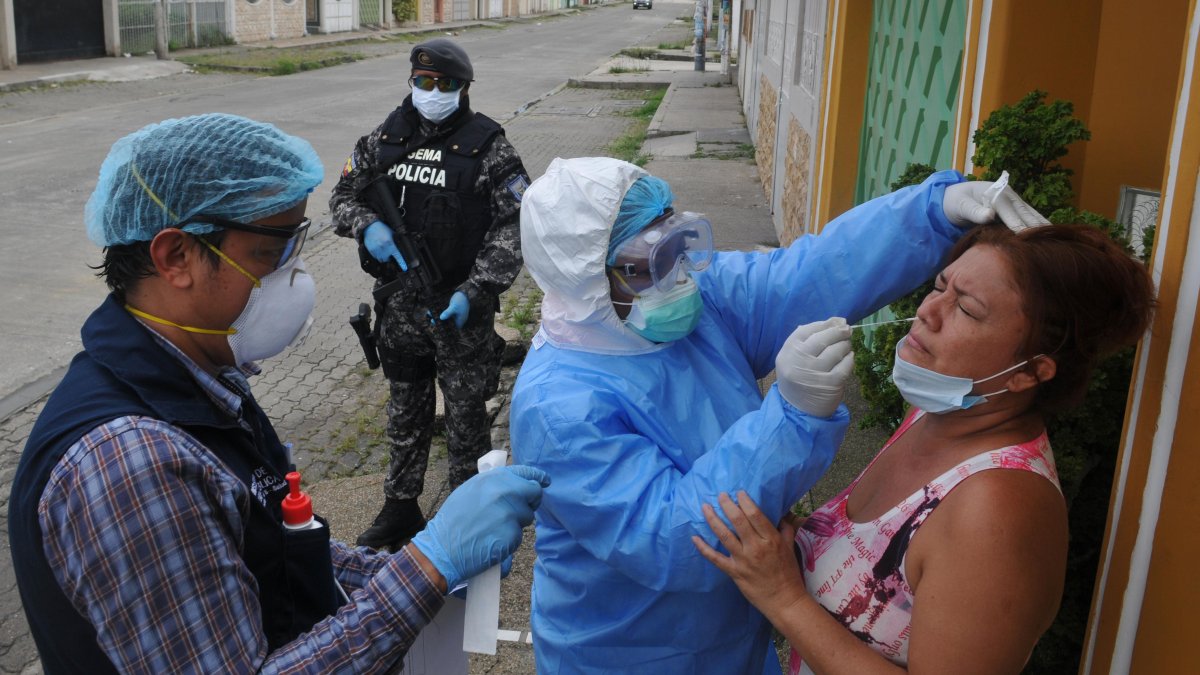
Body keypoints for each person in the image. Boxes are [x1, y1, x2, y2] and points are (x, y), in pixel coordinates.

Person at [8, 113, 549, 674]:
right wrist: (428, 570)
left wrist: (420, 566)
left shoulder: (196, 379)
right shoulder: (131, 466)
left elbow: (274, 551)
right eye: (272, 254)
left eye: (297, 246)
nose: (297, 277)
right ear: (176, 258)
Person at [508, 156, 1048, 674]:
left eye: (678, 242)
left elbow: (810, 274)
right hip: (629, 649)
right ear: (589, 282)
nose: (678, 272)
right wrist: (792, 418)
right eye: (649, 263)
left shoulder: (691, 299)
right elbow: (675, 542)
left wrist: (931, 213)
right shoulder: (559, 408)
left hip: (735, 632)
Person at [694, 224, 1156, 674]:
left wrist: (784, 598)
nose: (928, 312)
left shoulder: (996, 509)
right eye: (939, 286)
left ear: (1029, 372)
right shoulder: (937, 415)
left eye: (967, 310)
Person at [330, 37, 531, 550]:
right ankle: (400, 506)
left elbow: (517, 224)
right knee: (405, 408)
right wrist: (367, 224)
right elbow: (342, 195)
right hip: (399, 307)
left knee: (466, 416)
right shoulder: (385, 138)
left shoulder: (489, 147)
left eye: (446, 84)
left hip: (458, 306)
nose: (433, 91)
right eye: (424, 82)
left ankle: (467, 515)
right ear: (412, 82)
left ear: (463, 88)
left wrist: (478, 288)